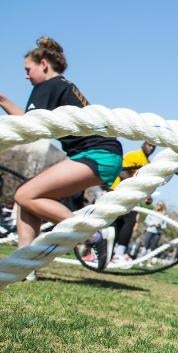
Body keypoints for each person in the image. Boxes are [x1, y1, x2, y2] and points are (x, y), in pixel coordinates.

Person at [0, 36, 123, 276]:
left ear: (43, 64)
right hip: (98, 153)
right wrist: (2, 100)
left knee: (24, 194)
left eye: (28, 70)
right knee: (28, 195)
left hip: (98, 154)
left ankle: (94, 235)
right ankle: (25, 266)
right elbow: (29, 122)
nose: (26, 76)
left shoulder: (48, 85)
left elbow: (28, 128)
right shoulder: (62, 85)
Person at [107, 141, 156, 265]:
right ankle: (116, 253)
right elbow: (123, 172)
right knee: (122, 220)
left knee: (124, 222)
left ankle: (115, 253)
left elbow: (145, 183)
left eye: (153, 146)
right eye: (149, 145)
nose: (151, 148)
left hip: (130, 195)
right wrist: (137, 187)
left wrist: (147, 196)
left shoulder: (148, 164)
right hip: (117, 190)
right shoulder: (133, 155)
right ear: (143, 144)